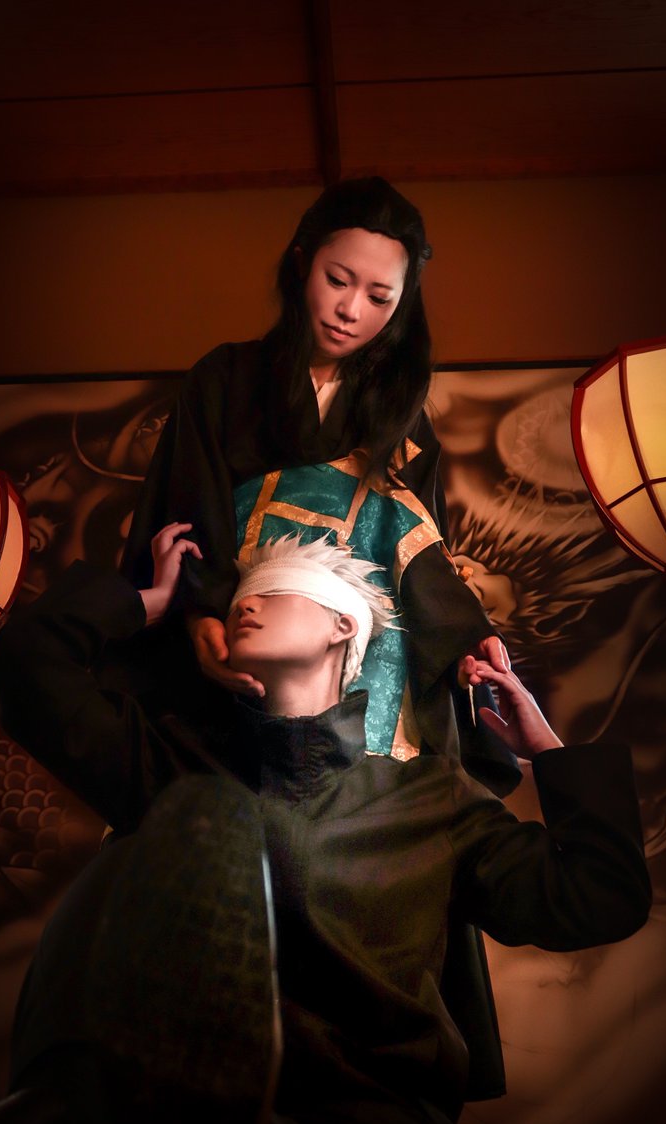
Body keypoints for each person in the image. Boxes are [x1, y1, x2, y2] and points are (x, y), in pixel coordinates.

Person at [0, 525, 651, 1124]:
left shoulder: (431, 799)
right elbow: (29, 670)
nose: (246, 602)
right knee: (148, 839)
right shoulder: (176, 767)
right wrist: (142, 602)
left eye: (275, 588)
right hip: (168, 1115)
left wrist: (548, 751)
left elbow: (598, 896)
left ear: (342, 626)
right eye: (240, 593)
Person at [119, 177, 516, 787]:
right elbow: (188, 508)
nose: (351, 310)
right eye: (338, 280)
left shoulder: (405, 418)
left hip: (364, 646)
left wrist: (466, 637)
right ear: (302, 262)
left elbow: (416, 549)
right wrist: (201, 620)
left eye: (379, 297)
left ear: (402, 304)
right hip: (242, 627)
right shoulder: (225, 379)